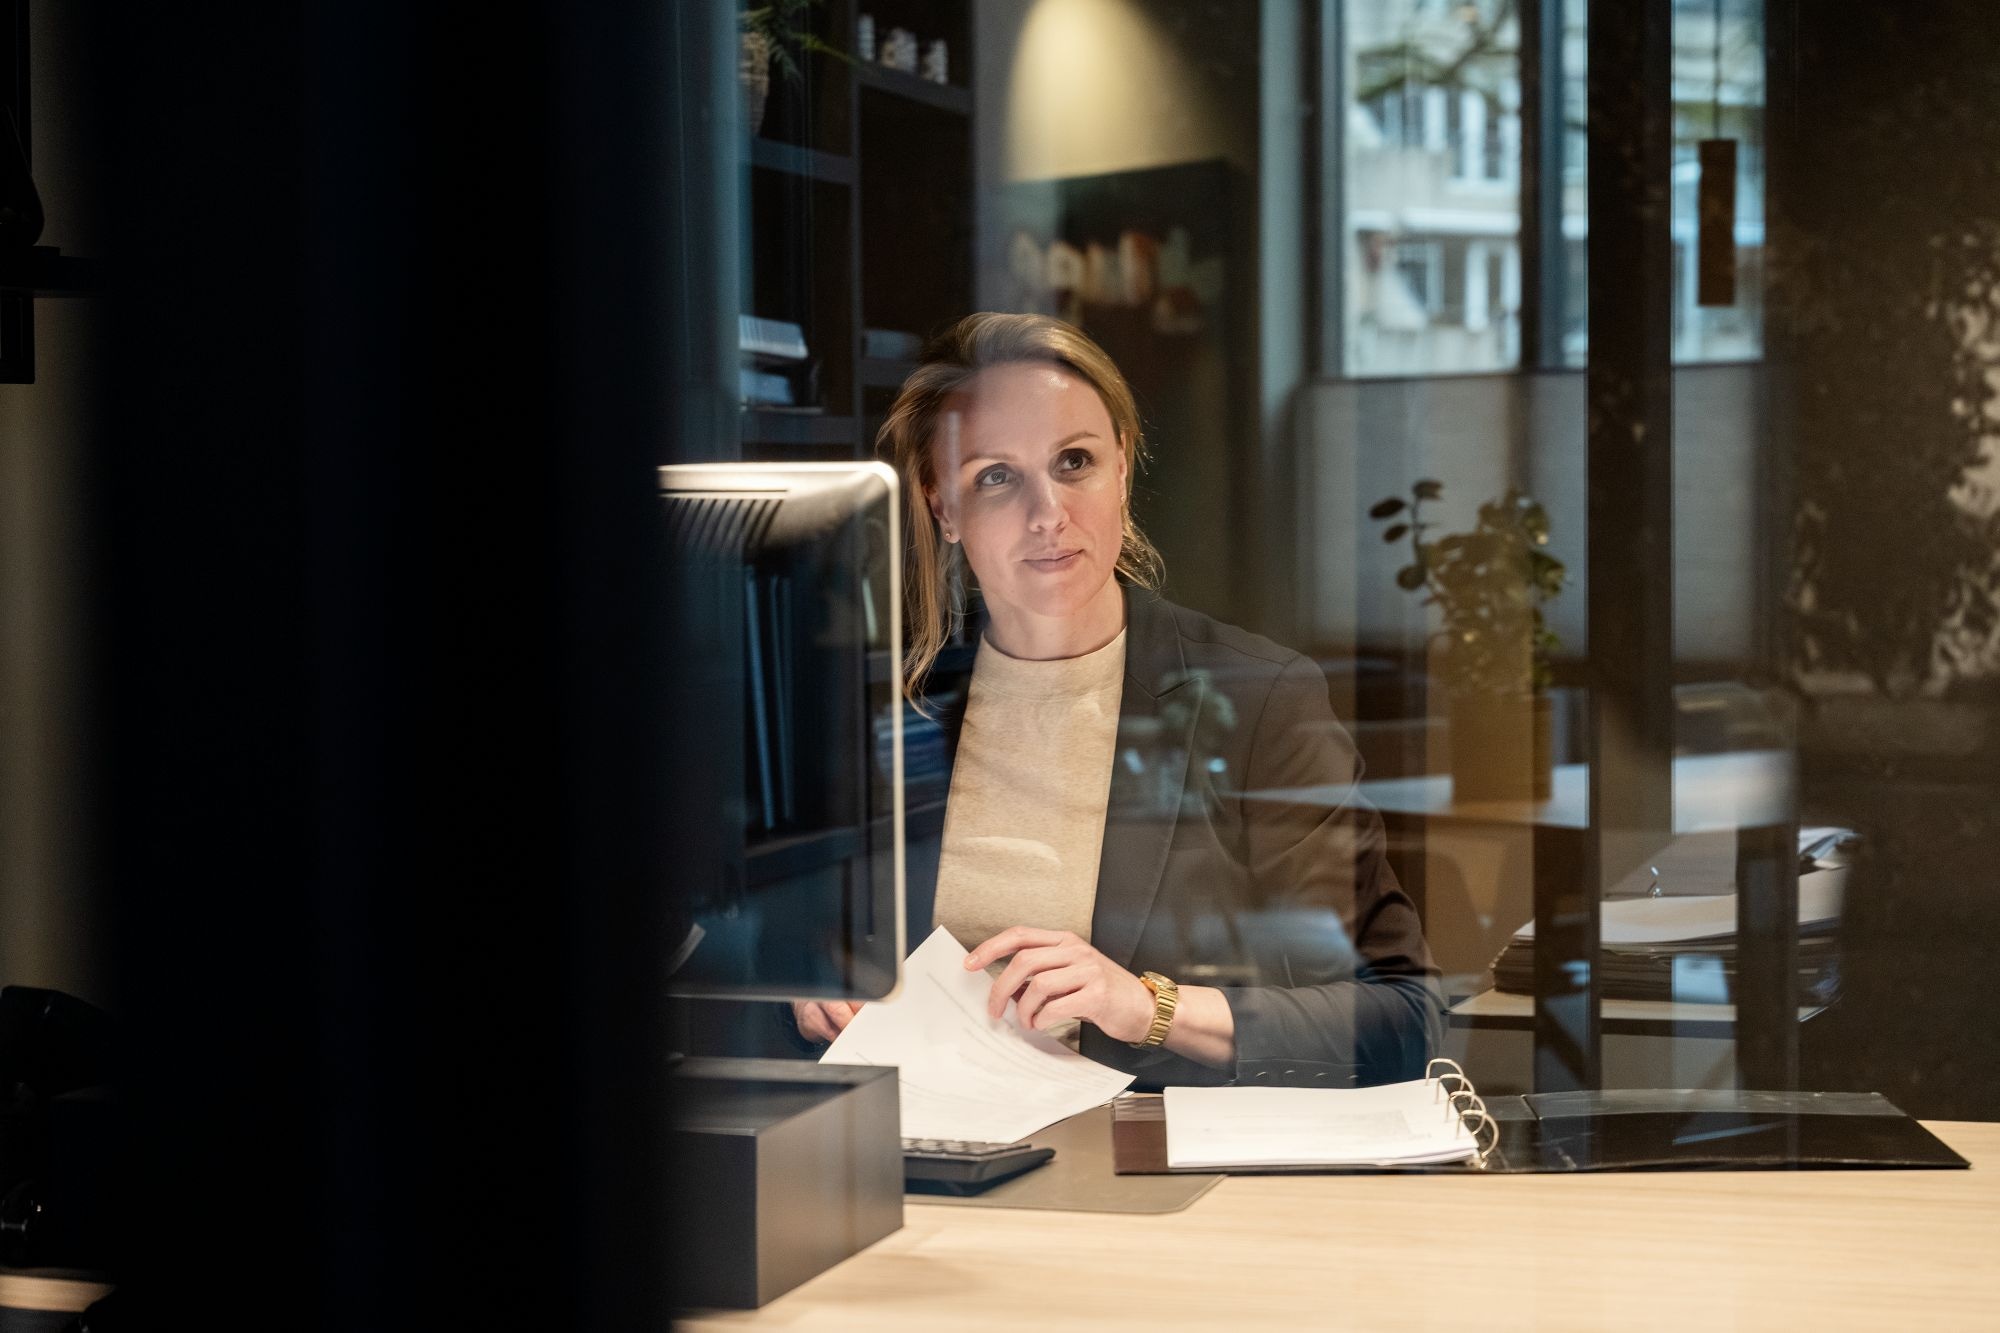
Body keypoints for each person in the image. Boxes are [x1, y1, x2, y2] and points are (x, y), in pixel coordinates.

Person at [792, 312, 1442, 1088]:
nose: (1048, 514)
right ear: (944, 508)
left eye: (1074, 461)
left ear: (1123, 468)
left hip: (1145, 1176)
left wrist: (1145, 1005)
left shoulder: (1260, 698)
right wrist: (800, 989)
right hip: (919, 1167)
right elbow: (777, 947)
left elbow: (1403, 1017)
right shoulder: (881, 706)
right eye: (995, 476)